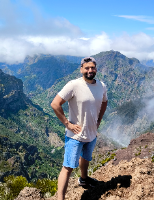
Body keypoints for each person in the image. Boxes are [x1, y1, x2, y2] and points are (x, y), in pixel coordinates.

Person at [51, 57, 108, 200]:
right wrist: (67, 124)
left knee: (86, 158)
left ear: (96, 69)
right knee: (68, 167)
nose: (90, 70)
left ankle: (84, 179)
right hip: (74, 136)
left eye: (92, 67)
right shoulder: (73, 85)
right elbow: (55, 104)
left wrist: (99, 120)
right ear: (81, 69)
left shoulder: (101, 85)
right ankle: (60, 198)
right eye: (87, 68)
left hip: (92, 133)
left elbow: (104, 102)